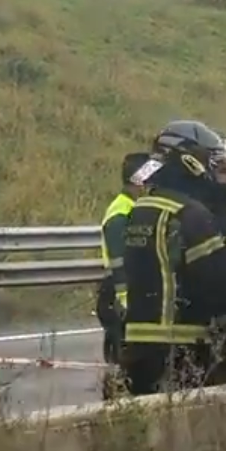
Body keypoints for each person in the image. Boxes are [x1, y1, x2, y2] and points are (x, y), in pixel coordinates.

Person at [117, 120, 226, 395]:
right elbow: (219, 287)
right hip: (183, 351)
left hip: (138, 348)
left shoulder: (142, 208)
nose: (221, 173)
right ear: (192, 162)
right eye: (215, 163)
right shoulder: (191, 215)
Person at [96, 151, 152, 366]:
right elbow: (119, 259)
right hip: (118, 293)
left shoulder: (134, 207)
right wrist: (126, 299)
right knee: (122, 359)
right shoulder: (122, 213)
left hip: (124, 290)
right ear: (139, 181)